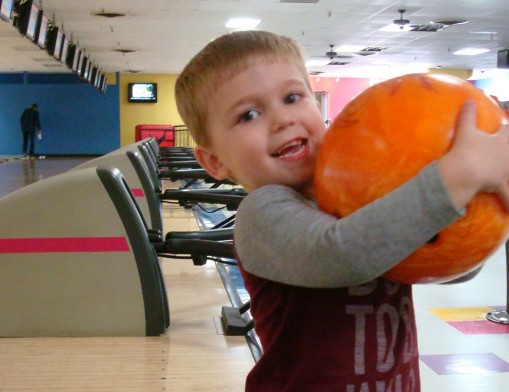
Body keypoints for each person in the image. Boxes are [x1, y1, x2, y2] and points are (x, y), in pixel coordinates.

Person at [175, 30, 509, 391]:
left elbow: (448, 268)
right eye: (249, 114)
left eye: (291, 97)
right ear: (214, 160)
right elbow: (342, 253)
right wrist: (456, 178)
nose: (282, 119)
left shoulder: (363, 196)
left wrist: (483, 206)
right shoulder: (262, 213)